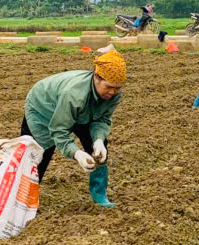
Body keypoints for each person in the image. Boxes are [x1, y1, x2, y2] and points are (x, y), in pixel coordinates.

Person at [20, 48, 127, 206]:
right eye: (109, 86)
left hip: (82, 110)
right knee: (39, 153)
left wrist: (98, 140)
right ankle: (24, 200)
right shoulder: (73, 94)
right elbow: (59, 131)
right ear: (96, 77)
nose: (113, 92)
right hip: (44, 108)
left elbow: (102, 119)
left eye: (117, 88)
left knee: (99, 149)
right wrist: (76, 154)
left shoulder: (113, 94)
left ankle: (99, 194)